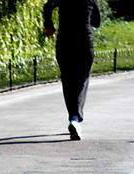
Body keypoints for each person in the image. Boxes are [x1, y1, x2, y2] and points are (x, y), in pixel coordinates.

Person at [44, 0, 101, 141]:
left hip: (65, 42)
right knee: (82, 80)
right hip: (84, 41)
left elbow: (48, 6)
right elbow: (96, 21)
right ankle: (75, 119)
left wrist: (49, 26)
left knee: (68, 81)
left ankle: (74, 119)